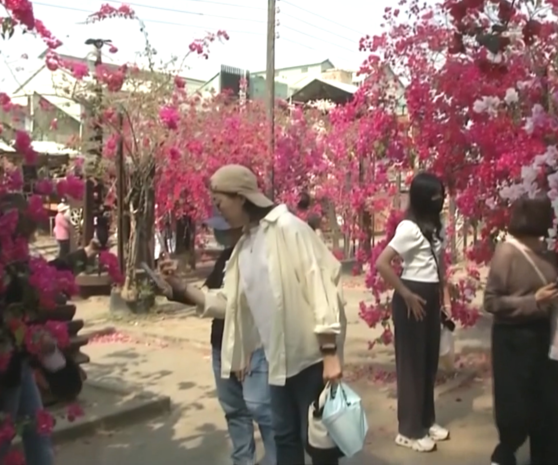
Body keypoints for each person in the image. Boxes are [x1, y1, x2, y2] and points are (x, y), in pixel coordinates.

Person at [208, 164, 345, 465]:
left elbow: (321, 288)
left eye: (220, 202)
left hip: (310, 361)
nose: (219, 211)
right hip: (278, 364)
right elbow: (231, 303)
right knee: (284, 439)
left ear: (240, 197)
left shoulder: (289, 229)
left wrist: (330, 354)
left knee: (319, 444)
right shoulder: (246, 244)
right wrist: (179, 290)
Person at [0, 193, 101, 465]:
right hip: (3, 368)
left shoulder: (12, 261)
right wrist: (31, 336)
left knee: (38, 433)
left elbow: (44, 271)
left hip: (19, 364)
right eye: (25, 234)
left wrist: (85, 253)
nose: (28, 241)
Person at [159, 213, 276, 465]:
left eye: (223, 228)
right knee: (235, 412)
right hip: (221, 345)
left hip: (250, 349)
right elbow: (209, 297)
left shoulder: (259, 257)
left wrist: (247, 345)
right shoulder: (226, 258)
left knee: (263, 412)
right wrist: (174, 288)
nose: (217, 234)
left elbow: (263, 307)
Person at [483, 197, 558, 465]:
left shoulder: (548, 253)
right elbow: (491, 302)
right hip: (513, 341)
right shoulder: (506, 253)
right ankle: (504, 456)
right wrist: (534, 301)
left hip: (545, 337)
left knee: (547, 411)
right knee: (516, 412)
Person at [374, 172, 450, 453]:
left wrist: (445, 301)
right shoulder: (409, 228)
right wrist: (405, 294)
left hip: (430, 296)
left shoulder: (437, 226)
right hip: (411, 297)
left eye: (441, 194)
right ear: (421, 198)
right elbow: (382, 263)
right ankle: (408, 430)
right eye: (434, 195)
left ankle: (426, 420)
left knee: (428, 363)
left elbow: (441, 266)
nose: (440, 199)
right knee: (412, 365)